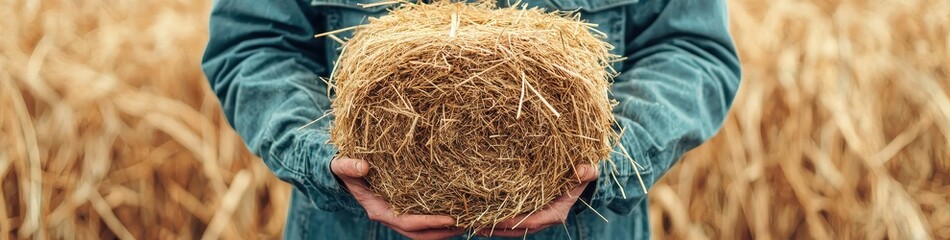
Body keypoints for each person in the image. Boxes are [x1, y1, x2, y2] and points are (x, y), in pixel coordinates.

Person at [202, 0, 740, 239]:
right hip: (349, 228)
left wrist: (610, 158)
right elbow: (253, 43)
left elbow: (690, 47)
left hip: (587, 229)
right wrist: (331, 157)